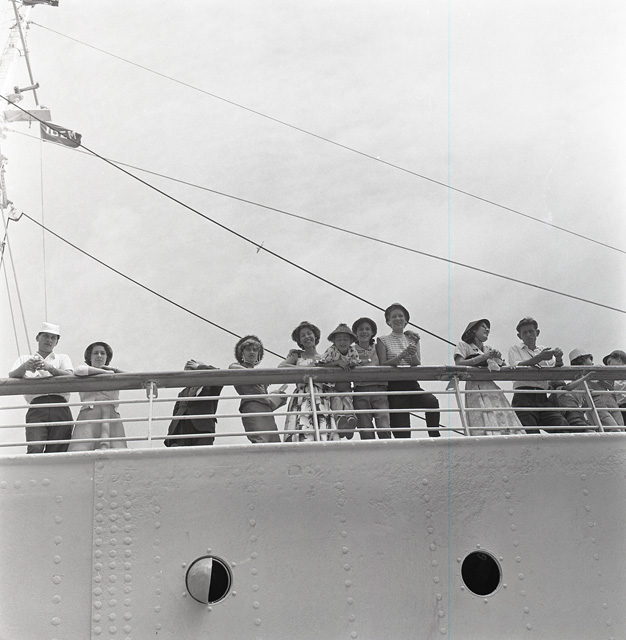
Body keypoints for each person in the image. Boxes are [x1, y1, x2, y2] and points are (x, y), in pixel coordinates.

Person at [376, 303, 441, 438]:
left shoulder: (413, 338)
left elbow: (417, 363)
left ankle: (434, 436)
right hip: (394, 388)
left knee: (432, 402)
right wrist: (402, 355)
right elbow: (383, 364)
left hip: (412, 384)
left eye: (401, 316)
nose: (398, 319)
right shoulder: (382, 340)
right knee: (402, 432)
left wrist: (412, 354)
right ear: (388, 322)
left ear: (406, 321)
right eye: (394, 316)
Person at [9, 322, 74, 453]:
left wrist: (50, 368)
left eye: (53, 338)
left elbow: (70, 376)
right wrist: (25, 367)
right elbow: (12, 376)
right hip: (37, 407)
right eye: (46, 336)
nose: (49, 340)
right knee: (35, 447)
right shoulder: (25, 359)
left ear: (56, 342)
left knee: (58, 450)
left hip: (59, 406)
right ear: (37, 338)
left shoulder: (62, 358)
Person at [453, 319, 523, 435]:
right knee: (482, 418)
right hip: (474, 387)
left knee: (500, 415)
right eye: (483, 326)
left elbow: (501, 368)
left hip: (490, 386)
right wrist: (483, 357)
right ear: (474, 330)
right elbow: (459, 363)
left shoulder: (488, 348)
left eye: (488, 328)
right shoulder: (464, 346)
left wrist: (499, 359)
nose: (487, 329)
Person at [508, 317, 570, 434]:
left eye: (531, 331)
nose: (528, 335)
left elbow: (554, 369)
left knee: (562, 425)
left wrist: (559, 358)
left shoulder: (543, 349)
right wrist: (540, 357)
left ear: (537, 333)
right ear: (519, 336)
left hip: (542, 396)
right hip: (523, 396)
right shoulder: (515, 349)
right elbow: (518, 367)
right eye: (524, 332)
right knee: (531, 433)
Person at [279, 321, 338, 442]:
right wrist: (304, 369)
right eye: (303, 335)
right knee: (302, 426)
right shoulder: (297, 356)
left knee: (322, 427)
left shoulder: (324, 358)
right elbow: (282, 367)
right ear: (299, 341)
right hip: (303, 394)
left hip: (320, 395)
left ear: (315, 336)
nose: (307, 337)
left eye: (309, 333)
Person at [68, 342, 127, 451]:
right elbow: (79, 370)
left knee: (118, 450)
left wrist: (114, 370)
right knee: (80, 449)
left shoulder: (114, 373)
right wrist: (105, 372)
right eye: (95, 353)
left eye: (102, 353)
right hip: (89, 415)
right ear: (90, 357)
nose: (99, 355)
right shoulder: (85, 372)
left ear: (107, 357)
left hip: (111, 415)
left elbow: (132, 377)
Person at [229, 335, 286, 443]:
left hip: (266, 409)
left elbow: (262, 395)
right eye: (248, 349)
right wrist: (264, 379)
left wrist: (277, 398)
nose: (252, 352)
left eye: (255, 350)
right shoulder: (236, 366)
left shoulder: (261, 376)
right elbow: (234, 369)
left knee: (273, 441)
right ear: (242, 353)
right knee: (261, 440)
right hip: (252, 406)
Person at [164, 359, 223, 447]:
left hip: (202, 430)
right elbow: (175, 414)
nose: (189, 377)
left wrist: (199, 367)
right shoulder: (182, 393)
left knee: (201, 455)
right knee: (178, 454)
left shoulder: (211, 388)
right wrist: (171, 434)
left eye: (193, 372)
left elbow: (220, 374)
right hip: (181, 431)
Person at [351, 317, 391, 439]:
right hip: (360, 391)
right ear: (355, 333)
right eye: (361, 329)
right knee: (365, 428)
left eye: (367, 329)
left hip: (379, 390)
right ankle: (370, 451)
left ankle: (387, 449)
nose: (364, 331)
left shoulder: (378, 347)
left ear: (372, 332)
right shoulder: (351, 349)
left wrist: (410, 333)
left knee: (384, 426)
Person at [318, 323, 360, 437]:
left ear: (351, 341)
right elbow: (321, 364)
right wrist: (337, 363)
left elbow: (357, 362)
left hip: (345, 384)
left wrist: (352, 364)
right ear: (334, 341)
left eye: (345, 339)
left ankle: (350, 421)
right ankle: (340, 420)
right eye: (339, 339)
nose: (342, 342)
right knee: (336, 400)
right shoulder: (331, 350)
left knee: (347, 399)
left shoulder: (352, 351)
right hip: (332, 386)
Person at [567, 349, 624, 429]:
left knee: (621, 427)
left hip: (609, 398)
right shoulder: (576, 378)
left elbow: (610, 385)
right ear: (583, 360)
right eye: (590, 359)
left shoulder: (598, 370)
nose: (593, 363)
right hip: (595, 400)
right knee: (611, 427)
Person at [603, 350, 626, 424]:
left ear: (618, 359)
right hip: (620, 406)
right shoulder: (613, 379)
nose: (608, 366)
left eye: (609, 362)